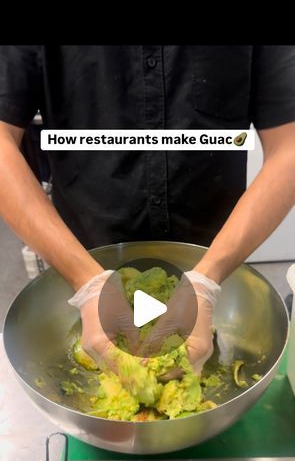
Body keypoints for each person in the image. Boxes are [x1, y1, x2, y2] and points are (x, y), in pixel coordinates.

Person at [0, 45, 295, 372]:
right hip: (83, 265)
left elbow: (289, 147)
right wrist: (87, 282)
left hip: (218, 268)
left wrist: (206, 281)